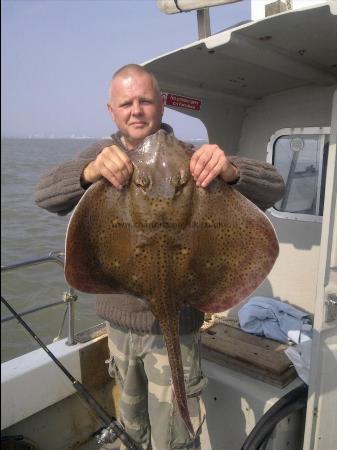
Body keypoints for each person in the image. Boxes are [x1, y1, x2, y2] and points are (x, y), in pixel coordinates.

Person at [35, 64, 285, 450]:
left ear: (162, 106)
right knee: (129, 425)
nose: (136, 110)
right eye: (126, 103)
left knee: (174, 435)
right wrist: (88, 172)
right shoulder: (102, 156)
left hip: (178, 326)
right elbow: (45, 195)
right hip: (118, 326)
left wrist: (231, 171)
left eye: (145, 100)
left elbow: (273, 186)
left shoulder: (193, 159)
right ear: (112, 111)